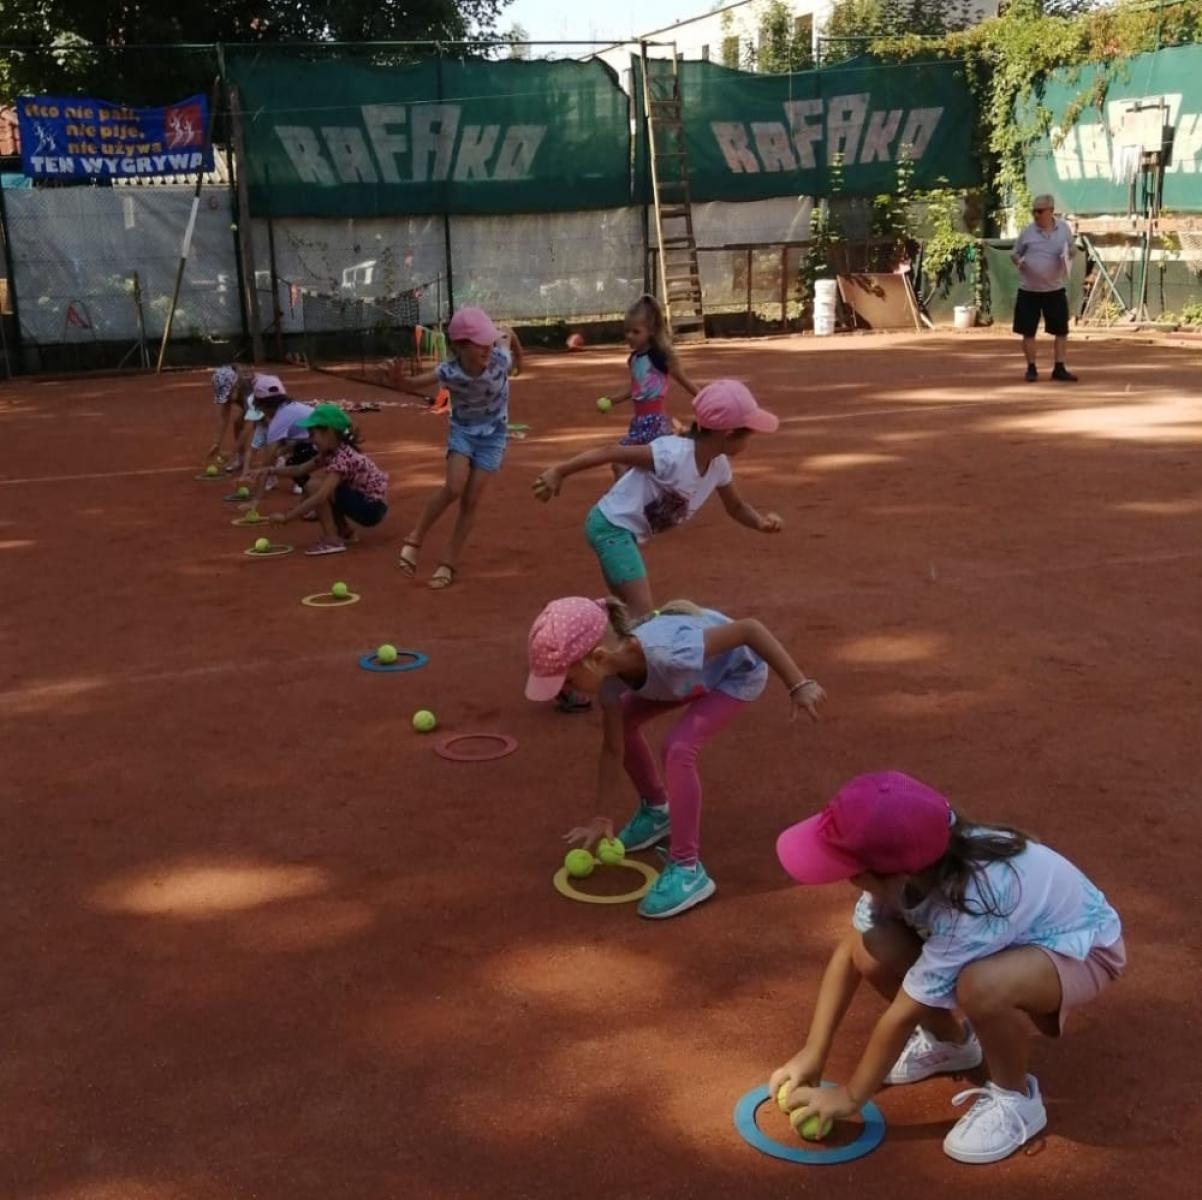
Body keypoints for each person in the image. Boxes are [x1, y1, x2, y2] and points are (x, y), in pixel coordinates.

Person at [770, 771, 1124, 1165]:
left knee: (981, 986)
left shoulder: (969, 906)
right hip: (1010, 939)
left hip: (1083, 951)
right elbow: (849, 953)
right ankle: (950, 1045)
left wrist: (850, 1096)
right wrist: (813, 1052)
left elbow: (901, 1015)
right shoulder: (910, 870)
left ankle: (1017, 1098)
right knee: (872, 945)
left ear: (891, 875)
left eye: (851, 871)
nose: (845, 879)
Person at [525, 596, 825, 920]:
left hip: (734, 674)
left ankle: (687, 867)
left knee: (678, 748)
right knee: (624, 722)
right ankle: (657, 811)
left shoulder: (668, 653)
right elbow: (613, 749)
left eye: (567, 680)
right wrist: (602, 817)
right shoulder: (609, 680)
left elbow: (750, 630)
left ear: (597, 658)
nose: (564, 691)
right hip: (684, 680)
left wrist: (798, 684)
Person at [533, 380, 783, 620]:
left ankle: (601, 651)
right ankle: (602, 646)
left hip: (620, 531)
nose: (750, 441)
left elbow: (737, 507)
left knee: (625, 612)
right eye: (748, 435)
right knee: (643, 614)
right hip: (611, 527)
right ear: (729, 434)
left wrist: (760, 523)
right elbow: (612, 452)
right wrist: (559, 471)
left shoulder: (718, 466)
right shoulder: (672, 455)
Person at [394, 307, 523, 590]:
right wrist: (401, 381)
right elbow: (417, 382)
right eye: (479, 343)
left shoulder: (500, 358)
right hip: (463, 432)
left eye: (489, 340)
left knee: (470, 501)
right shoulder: (449, 371)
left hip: (494, 436)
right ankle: (414, 539)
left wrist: (520, 361)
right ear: (459, 347)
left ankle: (448, 563)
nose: (487, 347)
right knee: (453, 487)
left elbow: (509, 334)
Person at [261, 403, 389, 554]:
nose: (311, 439)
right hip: (369, 503)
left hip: (370, 508)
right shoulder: (333, 451)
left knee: (314, 487)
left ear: (328, 432)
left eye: (313, 434)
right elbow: (300, 469)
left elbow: (320, 496)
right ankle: (345, 532)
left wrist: (286, 518)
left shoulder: (342, 458)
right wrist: (270, 470)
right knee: (322, 487)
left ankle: (332, 540)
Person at [602, 293, 699, 477]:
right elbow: (636, 388)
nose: (629, 336)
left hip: (654, 423)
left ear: (651, 331)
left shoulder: (660, 358)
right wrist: (614, 399)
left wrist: (705, 398)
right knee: (630, 466)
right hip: (638, 423)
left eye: (636, 332)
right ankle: (635, 501)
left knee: (622, 463)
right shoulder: (633, 359)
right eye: (627, 331)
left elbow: (683, 380)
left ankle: (627, 501)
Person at [1011, 195, 1077, 382]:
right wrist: (1019, 261)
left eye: (1040, 211)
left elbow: (1072, 248)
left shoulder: (1064, 229)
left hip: (1055, 290)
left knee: (1061, 331)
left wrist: (1071, 252)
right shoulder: (1027, 232)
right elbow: (1014, 253)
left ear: (1051, 211)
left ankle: (1059, 367)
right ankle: (1031, 368)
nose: (1036, 215)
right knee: (1028, 331)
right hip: (1029, 290)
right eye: (1034, 211)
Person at [237, 375, 316, 507]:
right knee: (297, 457)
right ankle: (309, 497)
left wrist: (255, 500)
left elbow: (267, 463)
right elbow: (297, 440)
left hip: (330, 440)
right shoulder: (289, 407)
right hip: (330, 437)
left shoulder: (279, 420)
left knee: (295, 464)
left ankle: (315, 499)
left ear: (263, 404)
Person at [206, 364, 259, 471]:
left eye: (227, 393)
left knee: (267, 431)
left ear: (235, 386)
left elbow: (249, 426)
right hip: (253, 408)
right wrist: (217, 443)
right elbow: (224, 418)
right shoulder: (229, 385)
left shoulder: (248, 388)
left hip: (270, 408)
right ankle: (241, 459)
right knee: (238, 423)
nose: (226, 397)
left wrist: (232, 452)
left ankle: (279, 460)